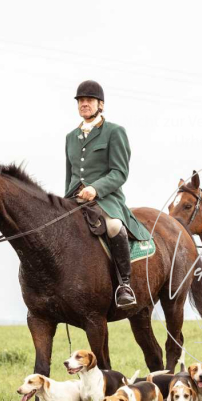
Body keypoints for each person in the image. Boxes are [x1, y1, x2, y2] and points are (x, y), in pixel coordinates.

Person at [64, 80, 151, 308]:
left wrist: (96, 188)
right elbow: (69, 174)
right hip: (75, 198)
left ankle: (125, 285)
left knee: (113, 226)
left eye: (89, 100)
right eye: (81, 101)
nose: (84, 104)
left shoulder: (114, 132)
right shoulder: (70, 137)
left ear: (100, 104)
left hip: (106, 199)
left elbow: (119, 172)